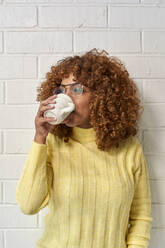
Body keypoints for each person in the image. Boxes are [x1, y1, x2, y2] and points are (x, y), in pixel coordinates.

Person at [16, 48, 152, 248]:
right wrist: (40, 137)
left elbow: (140, 217)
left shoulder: (129, 149)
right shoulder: (53, 143)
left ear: (102, 97)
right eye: (61, 90)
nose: (67, 98)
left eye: (77, 89)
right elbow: (28, 205)